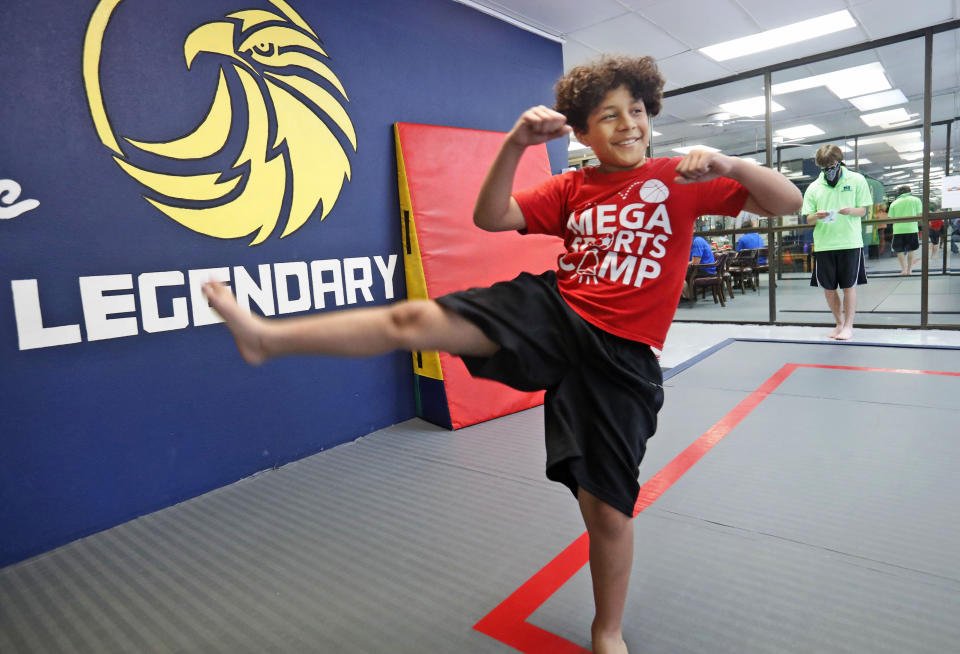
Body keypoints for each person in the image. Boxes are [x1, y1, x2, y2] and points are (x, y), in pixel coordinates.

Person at [202, 55, 802, 654]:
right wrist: (515, 143)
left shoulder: (681, 180)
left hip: (622, 358)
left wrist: (729, 162)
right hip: (557, 311)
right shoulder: (572, 187)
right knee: (416, 318)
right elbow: (490, 216)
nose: (628, 125)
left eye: (637, 112)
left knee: (610, 513)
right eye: (609, 116)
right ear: (583, 134)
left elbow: (788, 203)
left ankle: (607, 628)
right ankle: (266, 337)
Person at [801, 144, 872, 340]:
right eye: (824, 167)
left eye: (831, 164)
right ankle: (839, 323)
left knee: (849, 286)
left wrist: (851, 211)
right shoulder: (814, 187)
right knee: (829, 289)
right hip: (824, 244)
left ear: (839, 161)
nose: (828, 169)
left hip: (850, 242)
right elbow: (808, 219)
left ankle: (849, 325)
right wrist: (817, 215)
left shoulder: (857, 180)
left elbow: (863, 211)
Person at [887, 185, 922, 275]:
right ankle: (910, 270)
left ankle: (903, 270)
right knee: (911, 249)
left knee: (899, 250)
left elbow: (890, 218)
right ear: (909, 191)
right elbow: (919, 215)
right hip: (912, 228)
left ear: (899, 193)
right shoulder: (916, 200)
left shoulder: (894, 203)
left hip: (898, 229)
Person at [682, 235, 716, 300]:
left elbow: (695, 263)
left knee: (678, 274)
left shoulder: (697, 242)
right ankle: (687, 295)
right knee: (680, 272)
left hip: (705, 270)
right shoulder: (696, 241)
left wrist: (681, 265)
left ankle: (688, 296)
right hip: (704, 268)